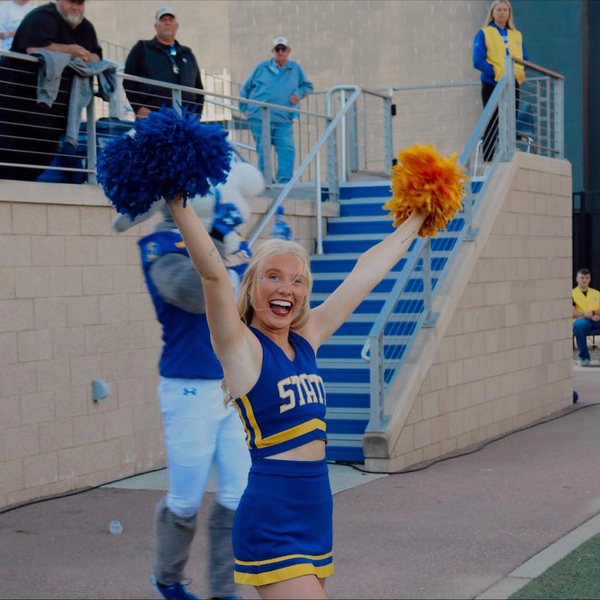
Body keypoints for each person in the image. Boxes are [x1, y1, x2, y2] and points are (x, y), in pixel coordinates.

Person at [166, 191, 426, 598]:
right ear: (252, 286)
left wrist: (419, 217)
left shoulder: (307, 338)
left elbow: (365, 273)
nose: (285, 287)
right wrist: (178, 201)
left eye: (297, 279)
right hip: (273, 513)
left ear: (304, 294)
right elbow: (214, 274)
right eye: (273, 275)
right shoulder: (241, 347)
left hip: (316, 508)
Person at [115, 151, 265, 600]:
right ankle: (166, 578)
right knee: (184, 499)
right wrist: (220, 245)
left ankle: (224, 590)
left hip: (233, 388)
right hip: (187, 388)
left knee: (238, 497)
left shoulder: (234, 244)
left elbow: (251, 306)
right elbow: (192, 294)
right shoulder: (159, 246)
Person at [0, 0, 102, 181]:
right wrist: (71, 51)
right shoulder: (41, 17)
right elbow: (34, 48)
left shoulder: (85, 27)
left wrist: (84, 56)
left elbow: (96, 56)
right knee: (8, 164)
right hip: (17, 113)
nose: (76, 7)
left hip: (54, 120)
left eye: (80, 3)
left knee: (34, 168)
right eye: (71, 2)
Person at [239, 36, 313, 184]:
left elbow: (308, 86)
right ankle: (265, 181)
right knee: (263, 150)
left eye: (283, 49)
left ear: (288, 51)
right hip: (259, 115)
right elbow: (246, 88)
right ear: (273, 51)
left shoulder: (295, 68)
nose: (280, 52)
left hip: (283, 117)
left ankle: (284, 181)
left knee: (287, 149)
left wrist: (297, 94)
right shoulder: (261, 67)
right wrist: (245, 109)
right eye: (277, 49)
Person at [123, 6, 204, 120]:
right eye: (163, 20)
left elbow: (198, 88)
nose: (167, 23)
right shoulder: (143, 48)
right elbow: (129, 80)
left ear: (176, 26)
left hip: (185, 120)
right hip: (153, 118)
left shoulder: (187, 53)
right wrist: (139, 108)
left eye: (171, 20)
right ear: (156, 25)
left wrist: (197, 114)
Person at [473, 0, 528, 163]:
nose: (502, 12)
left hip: (513, 82)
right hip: (492, 83)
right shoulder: (484, 33)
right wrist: (496, 72)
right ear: (493, 12)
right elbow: (478, 60)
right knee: (492, 120)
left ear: (509, 13)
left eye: (506, 10)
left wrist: (519, 72)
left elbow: (524, 57)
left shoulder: (516, 34)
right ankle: (489, 158)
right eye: (499, 9)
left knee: (511, 117)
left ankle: (509, 151)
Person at [572, 268, 600, 367]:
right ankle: (584, 357)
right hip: (582, 321)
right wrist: (587, 316)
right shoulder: (572, 293)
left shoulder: (596, 293)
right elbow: (571, 310)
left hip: (597, 320)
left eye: (587, 278)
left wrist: (594, 313)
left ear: (590, 279)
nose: (584, 280)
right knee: (579, 325)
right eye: (582, 277)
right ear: (577, 279)